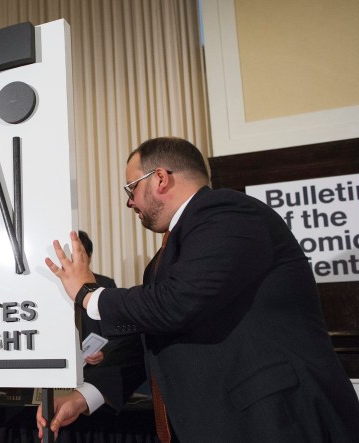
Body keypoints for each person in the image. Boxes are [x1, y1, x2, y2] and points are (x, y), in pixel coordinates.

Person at [44, 137, 359, 442]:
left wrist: (87, 293)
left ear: (161, 179)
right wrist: (83, 397)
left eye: (132, 188)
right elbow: (151, 340)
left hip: (277, 420)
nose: (129, 202)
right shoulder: (163, 260)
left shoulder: (227, 212)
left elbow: (176, 303)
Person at [36, 231, 145, 439]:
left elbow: (122, 336)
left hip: (98, 377)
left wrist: (106, 353)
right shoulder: (47, 289)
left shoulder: (105, 286)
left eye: (77, 253)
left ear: (87, 256)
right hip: (55, 379)